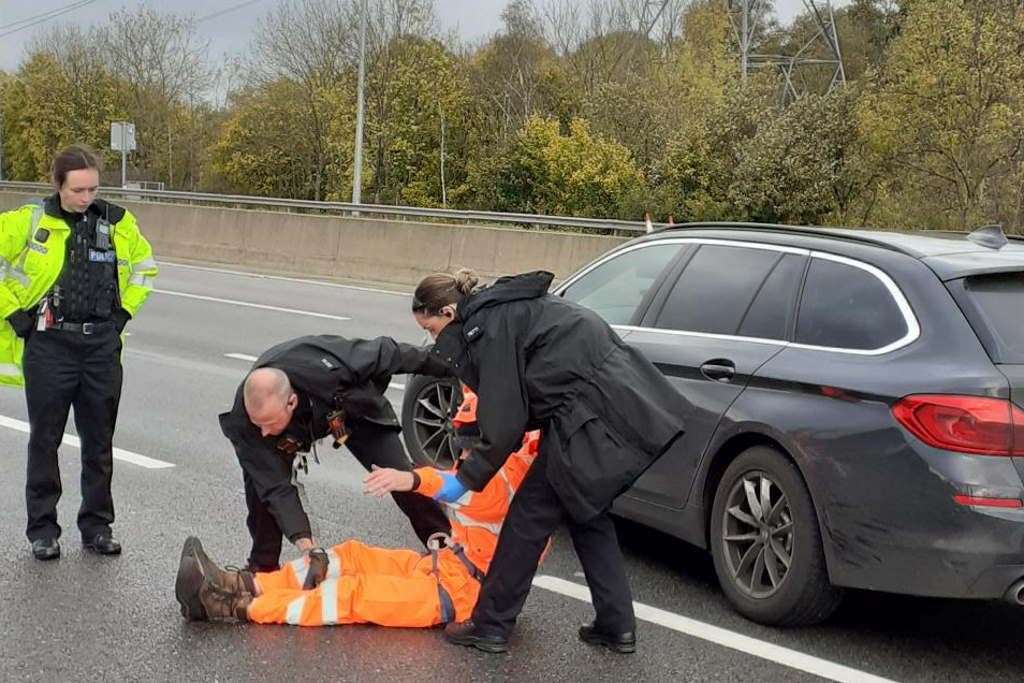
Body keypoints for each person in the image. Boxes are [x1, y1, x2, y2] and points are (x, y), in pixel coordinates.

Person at [410, 268, 689, 654]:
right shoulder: (502, 310)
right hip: (602, 405)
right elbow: (525, 392)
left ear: (447, 313)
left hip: (587, 413)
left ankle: (491, 625)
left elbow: (505, 419)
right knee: (587, 513)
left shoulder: (489, 327)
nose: (433, 338)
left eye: (431, 329)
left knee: (528, 519)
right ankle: (616, 624)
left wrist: (467, 477)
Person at [177, 388, 540, 632]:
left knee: (349, 594)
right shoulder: (515, 457)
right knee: (349, 557)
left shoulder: (504, 478)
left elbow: (457, 488)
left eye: (469, 446)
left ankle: (233, 606)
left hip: (463, 596)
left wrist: (409, 480)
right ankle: (245, 583)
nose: (462, 455)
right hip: (445, 566)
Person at [0, 144, 158, 561]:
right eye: (78, 190)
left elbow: (144, 267)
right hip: (51, 344)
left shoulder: (117, 222)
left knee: (99, 440)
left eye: (93, 189)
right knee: (45, 439)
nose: (87, 197)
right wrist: (13, 311)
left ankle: (97, 525)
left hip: (101, 346)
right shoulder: (29, 221)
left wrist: (124, 313)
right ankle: (43, 529)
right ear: (58, 185)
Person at [218, 334, 453, 572]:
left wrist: (459, 365)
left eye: (269, 422)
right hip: (297, 427)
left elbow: (391, 354)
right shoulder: (247, 421)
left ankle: (445, 545)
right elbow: (276, 488)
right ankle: (263, 566)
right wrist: (308, 546)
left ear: (292, 402)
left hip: (349, 410)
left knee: (399, 474)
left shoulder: (334, 366)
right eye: (258, 423)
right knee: (261, 486)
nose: (264, 432)